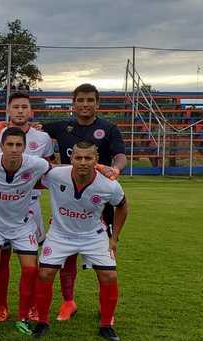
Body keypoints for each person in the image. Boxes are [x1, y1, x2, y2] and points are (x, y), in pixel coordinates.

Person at [42, 83, 127, 321]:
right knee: (66, 258)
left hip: (98, 203)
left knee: (106, 260)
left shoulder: (109, 129)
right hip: (68, 203)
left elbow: (120, 154)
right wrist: (2, 126)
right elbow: (32, 131)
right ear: (74, 103)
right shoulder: (61, 127)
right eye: (81, 100)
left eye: (90, 100)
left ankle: (106, 310)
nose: (85, 104)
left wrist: (115, 169)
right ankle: (69, 302)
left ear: (97, 104)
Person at [32, 139, 129, 341]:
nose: (83, 162)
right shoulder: (56, 175)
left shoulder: (109, 185)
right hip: (60, 234)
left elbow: (123, 206)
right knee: (45, 273)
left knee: (109, 276)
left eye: (88, 158)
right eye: (78, 157)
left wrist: (114, 238)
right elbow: (30, 176)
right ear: (71, 158)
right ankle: (42, 322)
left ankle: (106, 324)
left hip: (93, 235)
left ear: (96, 159)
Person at [0, 91, 55, 322]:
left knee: (31, 264)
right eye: (16, 107)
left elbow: (51, 171)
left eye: (25, 107)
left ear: (31, 111)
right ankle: (0, 306)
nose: (20, 111)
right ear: (9, 110)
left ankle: (31, 306)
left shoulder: (42, 138)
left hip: (29, 209)